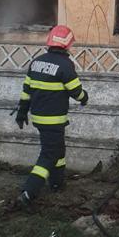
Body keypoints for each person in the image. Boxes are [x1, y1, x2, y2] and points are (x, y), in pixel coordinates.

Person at [15, 24, 88, 210]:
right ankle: (28, 192)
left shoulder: (36, 62)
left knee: (58, 150)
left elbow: (26, 90)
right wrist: (84, 98)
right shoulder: (65, 65)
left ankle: (57, 184)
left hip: (39, 117)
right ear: (67, 44)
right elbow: (75, 91)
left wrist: (22, 112)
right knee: (49, 154)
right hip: (54, 119)